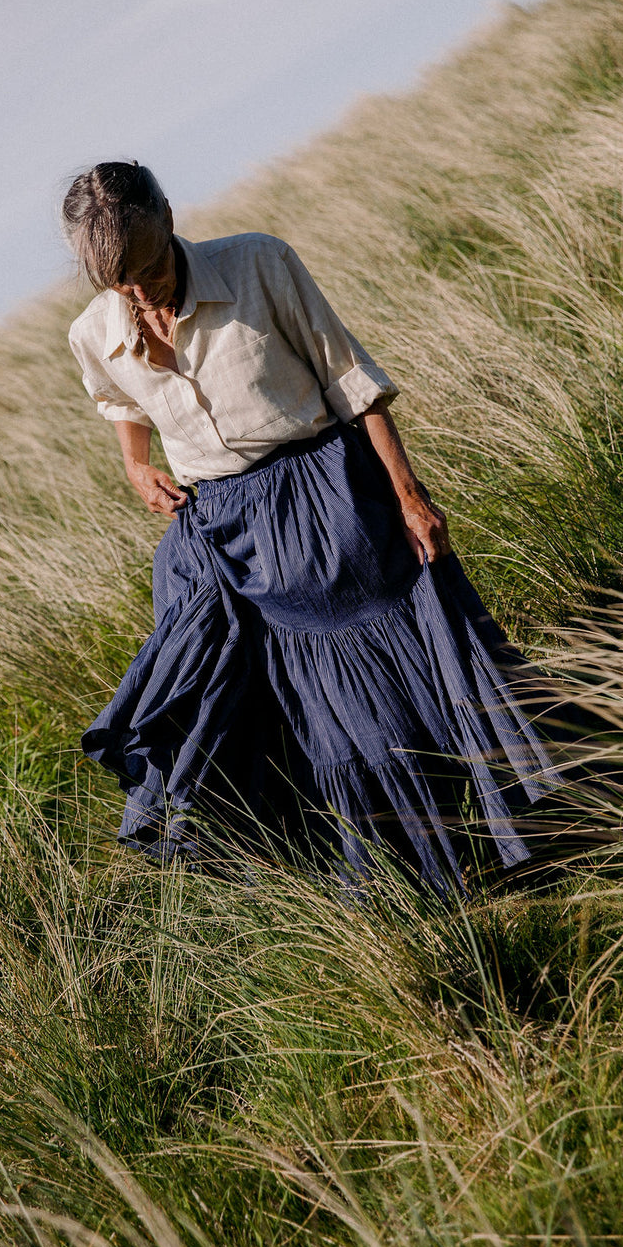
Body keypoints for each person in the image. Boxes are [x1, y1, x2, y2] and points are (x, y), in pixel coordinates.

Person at [64, 160, 573, 897]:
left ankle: (507, 839)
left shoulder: (258, 262)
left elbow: (350, 380)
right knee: (268, 708)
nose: (142, 292)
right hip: (225, 535)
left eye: (148, 267)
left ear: (170, 220)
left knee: (409, 683)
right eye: (120, 283)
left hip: (329, 500)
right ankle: (390, 878)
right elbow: (115, 398)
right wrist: (135, 466)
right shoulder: (91, 332)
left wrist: (407, 494)